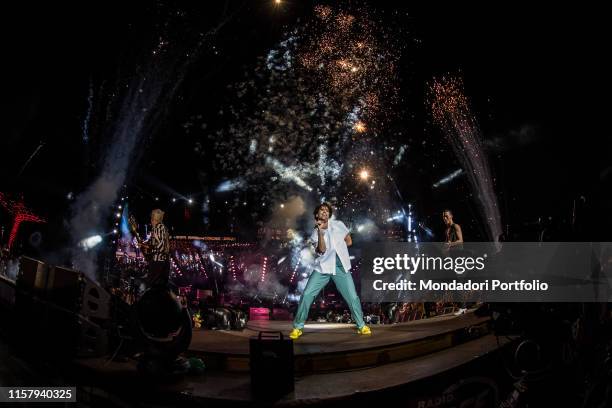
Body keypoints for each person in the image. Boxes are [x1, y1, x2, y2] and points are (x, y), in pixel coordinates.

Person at [289, 203, 371, 339]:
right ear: (317, 215)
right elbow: (321, 250)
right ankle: (298, 327)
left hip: (341, 267)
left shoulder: (338, 224)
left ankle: (361, 325)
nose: (325, 212)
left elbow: (349, 241)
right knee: (307, 295)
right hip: (323, 268)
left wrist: (339, 247)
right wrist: (321, 233)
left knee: (352, 297)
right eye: (322, 210)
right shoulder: (315, 233)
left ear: (329, 215)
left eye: (327, 210)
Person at [442, 209, 468, 315]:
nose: (445, 218)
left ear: (451, 216)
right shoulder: (446, 230)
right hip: (451, 258)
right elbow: (447, 244)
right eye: (443, 216)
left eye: (446, 216)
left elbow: (461, 240)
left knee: (458, 282)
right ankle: (462, 307)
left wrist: (450, 244)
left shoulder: (456, 226)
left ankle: (463, 307)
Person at [144, 209, 170, 289]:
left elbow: (160, 246)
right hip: (164, 262)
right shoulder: (163, 228)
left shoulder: (157, 227)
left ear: (154, 219)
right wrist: (144, 245)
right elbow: (156, 244)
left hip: (157, 262)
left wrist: (150, 247)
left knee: (151, 287)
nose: (151, 221)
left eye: (152, 218)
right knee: (160, 288)